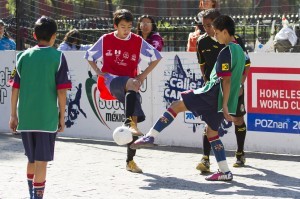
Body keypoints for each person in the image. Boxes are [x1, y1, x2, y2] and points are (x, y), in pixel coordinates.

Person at [131, 15, 246, 181]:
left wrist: (226, 106)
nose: (214, 36)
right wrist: (226, 104)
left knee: (177, 105)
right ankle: (225, 171)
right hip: (222, 100)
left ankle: (151, 135)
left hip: (213, 94)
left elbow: (226, 80)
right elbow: (237, 78)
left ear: (225, 31)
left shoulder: (227, 51)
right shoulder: (240, 51)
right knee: (211, 132)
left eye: (216, 32)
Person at [84, 9, 162, 173]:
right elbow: (89, 56)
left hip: (131, 85)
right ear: (115, 26)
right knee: (131, 111)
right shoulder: (106, 40)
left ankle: (130, 161)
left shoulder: (137, 41)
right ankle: (128, 122)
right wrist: (98, 72)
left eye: (128, 26)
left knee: (134, 119)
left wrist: (142, 76)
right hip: (110, 82)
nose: (126, 30)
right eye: (122, 26)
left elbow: (157, 57)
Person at [9, 16, 72, 198]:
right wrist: (61, 117)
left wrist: (13, 115)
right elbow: (62, 92)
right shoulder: (58, 57)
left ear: (34, 35)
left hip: (26, 117)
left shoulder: (22, 56)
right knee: (41, 161)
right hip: (47, 118)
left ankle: (31, 194)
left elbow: (15, 88)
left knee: (31, 159)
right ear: (54, 36)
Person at [195, 9, 250, 173]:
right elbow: (202, 65)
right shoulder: (201, 42)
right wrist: (206, 84)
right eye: (204, 25)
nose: (206, 28)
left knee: (238, 120)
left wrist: (239, 85)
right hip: (214, 88)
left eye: (209, 25)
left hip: (232, 87)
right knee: (209, 123)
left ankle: (240, 153)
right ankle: (205, 159)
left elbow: (246, 65)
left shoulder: (234, 41)